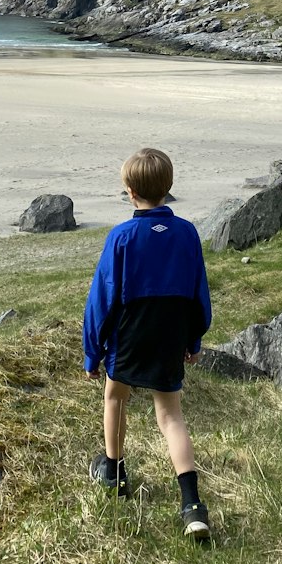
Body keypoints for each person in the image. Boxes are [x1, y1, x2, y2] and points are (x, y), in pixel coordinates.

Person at [83, 146, 213, 539]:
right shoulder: (187, 233)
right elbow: (198, 292)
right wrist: (194, 338)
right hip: (171, 332)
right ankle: (192, 504)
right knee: (171, 415)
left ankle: (114, 472)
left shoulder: (121, 237)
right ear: (168, 188)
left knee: (115, 397)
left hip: (131, 333)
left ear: (129, 190)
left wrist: (93, 351)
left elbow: (102, 299)